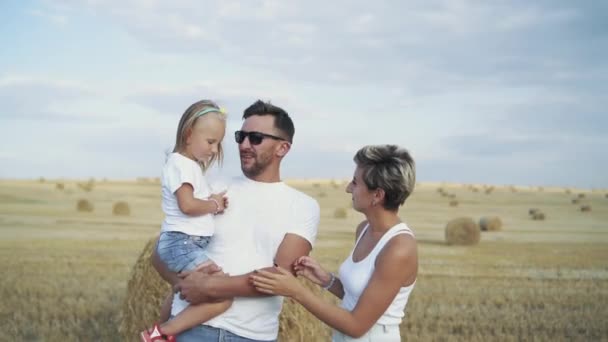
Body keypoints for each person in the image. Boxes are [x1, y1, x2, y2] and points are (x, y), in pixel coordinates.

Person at [151, 100, 320, 342]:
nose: (244, 145)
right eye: (241, 136)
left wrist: (208, 287)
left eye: (256, 138)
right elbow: (163, 251)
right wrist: (184, 284)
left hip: (251, 336)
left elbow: (281, 276)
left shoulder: (303, 206)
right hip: (192, 330)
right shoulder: (214, 189)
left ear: (283, 148)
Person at [250, 145, 418, 341]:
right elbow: (358, 298)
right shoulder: (364, 229)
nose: (348, 188)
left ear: (378, 195)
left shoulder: (399, 248)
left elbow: (357, 326)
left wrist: (296, 291)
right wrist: (326, 280)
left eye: (355, 183)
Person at [140, 100, 231, 342]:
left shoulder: (186, 165)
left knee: (182, 288)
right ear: (189, 134)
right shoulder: (183, 165)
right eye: (211, 142)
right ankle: (162, 333)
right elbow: (188, 205)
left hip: (186, 243)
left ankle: (162, 330)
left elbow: (193, 200)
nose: (214, 150)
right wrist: (214, 205)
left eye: (218, 144)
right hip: (182, 243)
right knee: (223, 294)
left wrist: (211, 200)